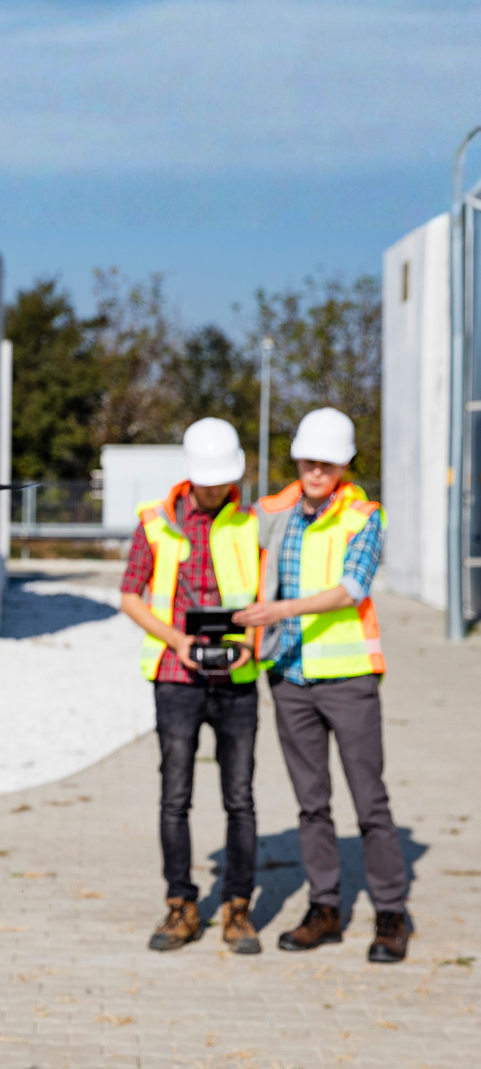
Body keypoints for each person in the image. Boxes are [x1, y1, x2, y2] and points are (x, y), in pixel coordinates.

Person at [235, 407, 409, 963]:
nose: (316, 471)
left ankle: (391, 913)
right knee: (311, 805)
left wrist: (279, 610)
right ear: (297, 459)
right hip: (288, 676)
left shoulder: (363, 517)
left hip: (348, 677)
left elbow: (352, 588)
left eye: (327, 463)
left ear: (344, 465)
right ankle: (324, 908)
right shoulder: (272, 512)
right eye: (309, 460)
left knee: (369, 801)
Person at [120, 418, 262, 955]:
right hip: (177, 679)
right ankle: (181, 904)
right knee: (174, 798)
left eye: (223, 479)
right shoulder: (155, 522)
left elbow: (267, 596)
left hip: (237, 680)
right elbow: (130, 595)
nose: (215, 488)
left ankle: (237, 907)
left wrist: (251, 641)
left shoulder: (253, 522)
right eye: (208, 479)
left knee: (240, 799)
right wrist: (177, 640)